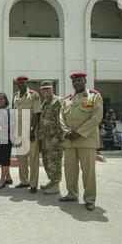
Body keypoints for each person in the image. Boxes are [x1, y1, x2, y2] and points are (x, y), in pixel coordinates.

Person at [59, 72, 103, 211]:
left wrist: (78, 133)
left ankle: (89, 198)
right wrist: (67, 132)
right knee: (70, 170)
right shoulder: (68, 100)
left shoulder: (94, 96)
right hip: (70, 141)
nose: (76, 83)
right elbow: (61, 118)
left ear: (85, 81)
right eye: (74, 81)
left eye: (79, 80)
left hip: (86, 139)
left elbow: (96, 117)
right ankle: (72, 194)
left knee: (88, 172)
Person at [12, 75, 41, 194]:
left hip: (30, 131)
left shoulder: (34, 95)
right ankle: (24, 181)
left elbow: (37, 113)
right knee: (21, 158)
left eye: (24, 83)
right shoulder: (15, 96)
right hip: (19, 132)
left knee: (33, 158)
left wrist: (32, 129)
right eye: (19, 83)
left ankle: (33, 184)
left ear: (27, 83)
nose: (21, 85)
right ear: (17, 84)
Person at [37, 81, 63, 195]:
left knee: (54, 161)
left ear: (52, 89)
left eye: (48, 89)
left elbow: (61, 120)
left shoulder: (58, 101)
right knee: (47, 161)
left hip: (53, 138)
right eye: (43, 89)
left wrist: (57, 136)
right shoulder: (45, 103)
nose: (46, 91)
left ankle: (56, 185)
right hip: (45, 138)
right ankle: (52, 181)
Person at [0, 93, 14, 190]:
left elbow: (12, 125)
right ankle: (8, 178)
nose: (0, 100)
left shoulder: (10, 111)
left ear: (6, 100)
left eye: (2, 99)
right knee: (2, 159)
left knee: (4, 160)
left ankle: (2, 181)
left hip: (6, 139)